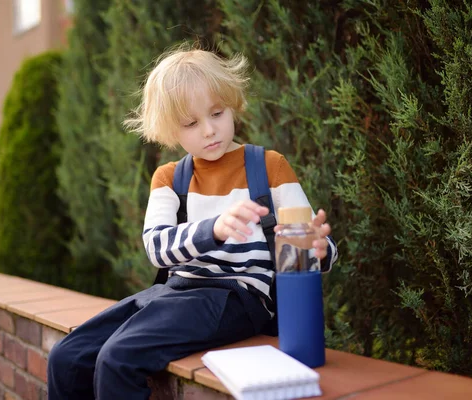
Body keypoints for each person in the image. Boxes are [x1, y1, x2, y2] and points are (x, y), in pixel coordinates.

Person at [47, 43, 338, 400]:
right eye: (191, 123)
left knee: (117, 359)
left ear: (231, 105)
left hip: (237, 297)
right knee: (67, 357)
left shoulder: (269, 167)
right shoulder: (170, 179)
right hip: (174, 293)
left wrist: (318, 249)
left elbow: (306, 239)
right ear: (172, 130)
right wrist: (213, 229)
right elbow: (157, 247)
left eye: (217, 113)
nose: (209, 130)